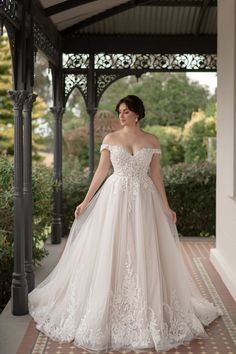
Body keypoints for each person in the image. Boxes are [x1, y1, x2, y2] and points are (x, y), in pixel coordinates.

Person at [29, 95, 222, 353]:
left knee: (144, 250)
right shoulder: (110, 140)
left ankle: (148, 309)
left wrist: (166, 206)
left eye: (126, 111)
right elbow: (101, 172)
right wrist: (86, 202)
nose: (121, 115)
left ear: (137, 114)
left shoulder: (151, 141)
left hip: (144, 202)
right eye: (120, 111)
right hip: (115, 200)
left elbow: (156, 176)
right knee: (113, 250)